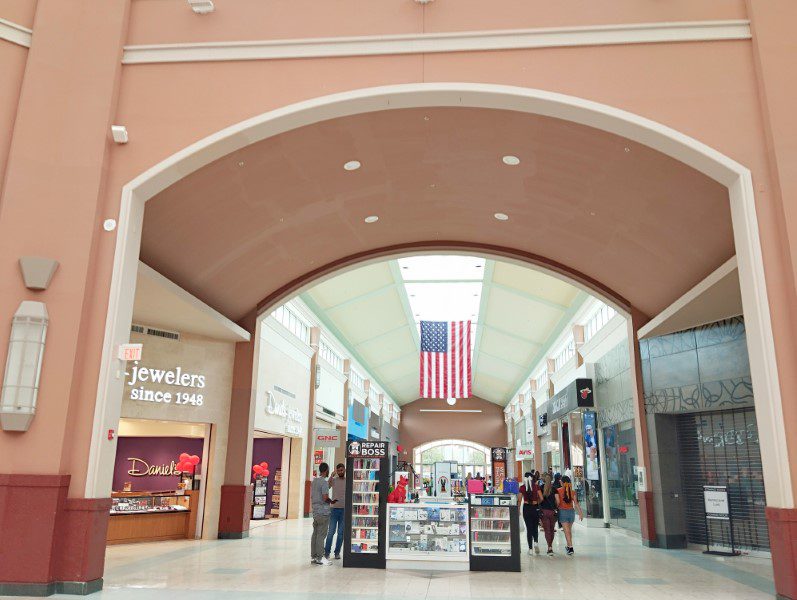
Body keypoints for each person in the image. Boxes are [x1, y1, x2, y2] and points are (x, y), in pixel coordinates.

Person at [310, 462, 333, 565]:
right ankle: (320, 557)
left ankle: (314, 556)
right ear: (326, 470)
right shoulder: (323, 482)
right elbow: (325, 497)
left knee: (315, 534)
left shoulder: (314, 481)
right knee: (321, 535)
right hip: (323, 512)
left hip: (315, 511)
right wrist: (332, 501)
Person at [556, 475, 584, 555]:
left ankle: (571, 547)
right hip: (571, 512)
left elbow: (557, 502)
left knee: (566, 531)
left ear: (562, 482)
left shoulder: (558, 490)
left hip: (563, 512)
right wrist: (580, 513)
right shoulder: (572, 491)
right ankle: (568, 546)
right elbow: (576, 503)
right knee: (569, 531)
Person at [324, 463, 346, 560]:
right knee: (331, 532)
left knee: (341, 533)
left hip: (344, 510)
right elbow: (326, 488)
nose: (341, 472)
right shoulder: (334, 480)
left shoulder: (348, 481)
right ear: (336, 471)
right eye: (339, 470)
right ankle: (326, 552)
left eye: (342, 470)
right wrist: (331, 476)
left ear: (344, 470)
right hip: (334, 509)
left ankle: (337, 552)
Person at [518, 472, 543, 555]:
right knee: (535, 527)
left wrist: (518, 509)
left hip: (527, 508)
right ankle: (536, 542)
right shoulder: (536, 486)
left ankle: (530, 549)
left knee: (529, 528)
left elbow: (519, 499)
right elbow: (541, 498)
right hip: (535, 508)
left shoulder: (522, 487)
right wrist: (537, 502)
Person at [538, 473, 558, 556]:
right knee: (552, 529)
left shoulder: (541, 488)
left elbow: (539, 500)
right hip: (552, 512)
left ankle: (549, 547)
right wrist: (555, 507)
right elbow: (558, 501)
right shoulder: (554, 489)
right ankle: (551, 546)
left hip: (544, 511)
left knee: (547, 530)